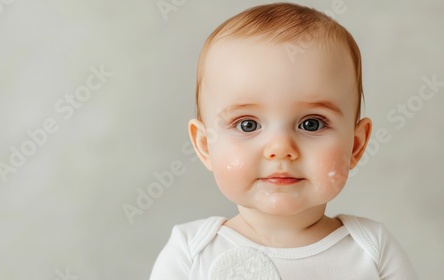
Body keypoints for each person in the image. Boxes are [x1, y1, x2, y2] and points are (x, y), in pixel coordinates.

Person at [150, 3, 417, 279]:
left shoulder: (372, 251)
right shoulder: (191, 252)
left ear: (356, 145)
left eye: (311, 124)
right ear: (206, 146)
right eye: (248, 124)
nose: (280, 149)